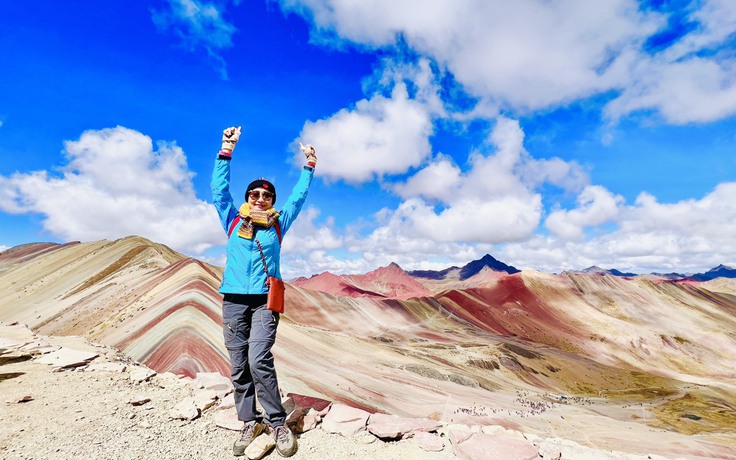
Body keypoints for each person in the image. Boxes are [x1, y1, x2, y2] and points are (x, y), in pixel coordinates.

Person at [211, 126, 316, 457]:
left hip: (264, 301)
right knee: (239, 364)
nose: (260, 198)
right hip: (233, 300)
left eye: (266, 195)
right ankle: (249, 420)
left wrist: (309, 167)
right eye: (254, 194)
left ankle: (276, 421)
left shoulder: (279, 224)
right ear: (247, 199)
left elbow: (298, 197)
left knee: (258, 359)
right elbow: (218, 190)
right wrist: (226, 148)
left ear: (272, 200)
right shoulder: (231, 220)